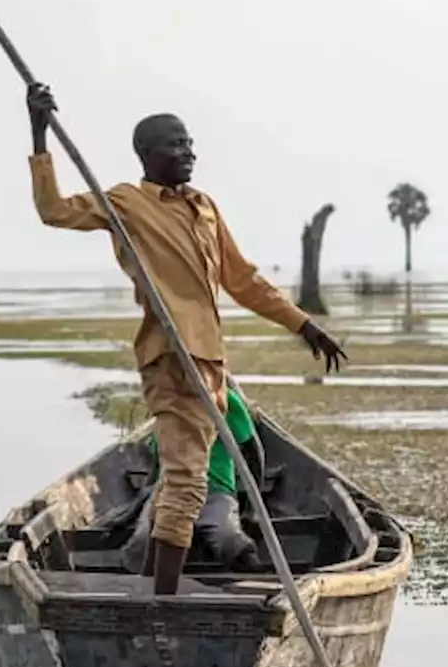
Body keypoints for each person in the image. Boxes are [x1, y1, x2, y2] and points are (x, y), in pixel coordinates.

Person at [24, 83, 346, 595]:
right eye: (175, 145)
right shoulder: (126, 203)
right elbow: (54, 210)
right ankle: (162, 601)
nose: (188, 152)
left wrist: (304, 324)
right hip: (172, 357)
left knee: (188, 478)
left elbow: (244, 281)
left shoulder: (204, 207)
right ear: (147, 155)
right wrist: (40, 133)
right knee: (187, 479)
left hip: (210, 360)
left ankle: (155, 588)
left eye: (190, 143)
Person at [120, 383, 266, 575]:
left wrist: (254, 509)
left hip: (215, 491)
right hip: (169, 490)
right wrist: (142, 501)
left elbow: (253, 453)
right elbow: (159, 461)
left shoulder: (224, 399)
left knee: (228, 539)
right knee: (142, 542)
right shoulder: (166, 399)